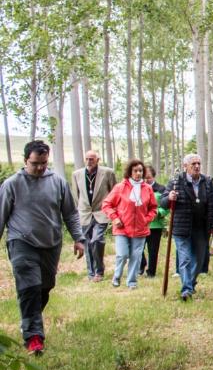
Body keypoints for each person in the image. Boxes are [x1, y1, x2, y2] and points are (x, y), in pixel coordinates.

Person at [0, 140, 85, 355]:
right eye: (35, 163)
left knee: (44, 287)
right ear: (25, 160)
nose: (39, 168)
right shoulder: (12, 184)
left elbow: (70, 213)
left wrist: (79, 238)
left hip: (51, 243)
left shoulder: (57, 182)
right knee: (29, 287)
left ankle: (28, 321)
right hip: (21, 242)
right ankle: (34, 338)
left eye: (44, 163)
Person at [164, 154, 213, 301]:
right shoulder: (176, 181)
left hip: (202, 228)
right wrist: (169, 197)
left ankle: (190, 283)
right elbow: (163, 202)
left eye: (198, 164)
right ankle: (187, 289)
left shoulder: (207, 182)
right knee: (185, 259)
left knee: (200, 259)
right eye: (193, 164)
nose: (197, 166)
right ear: (185, 166)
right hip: (182, 228)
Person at [101, 159, 158, 289]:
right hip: (122, 228)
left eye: (140, 171)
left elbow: (153, 208)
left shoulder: (147, 188)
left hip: (140, 229)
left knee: (136, 256)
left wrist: (146, 219)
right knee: (122, 254)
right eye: (135, 171)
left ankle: (132, 281)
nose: (138, 173)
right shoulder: (120, 187)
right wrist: (114, 218)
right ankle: (117, 276)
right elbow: (106, 204)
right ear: (129, 172)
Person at [70, 150, 117, 282]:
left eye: (92, 159)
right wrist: (77, 212)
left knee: (97, 239)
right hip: (84, 213)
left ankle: (99, 270)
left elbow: (114, 191)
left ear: (98, 159)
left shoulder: (108, 172)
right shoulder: (77, 174)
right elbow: (76, 195)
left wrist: (113, 211)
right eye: (87, 159)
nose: (89, 161)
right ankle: (91, 272)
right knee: (87, 243)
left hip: (101, 212)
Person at [140, 165, 168, 278]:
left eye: (149, 178)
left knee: (153, 250)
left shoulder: (161, 189)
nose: (146, 180)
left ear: (153, 177)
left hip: (155, 224)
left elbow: (166, 206)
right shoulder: (138, 188)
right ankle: (141, 264)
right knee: (138, 248)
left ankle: (151, 272)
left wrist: (158, 213)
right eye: (144, 178)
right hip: (140, 225)